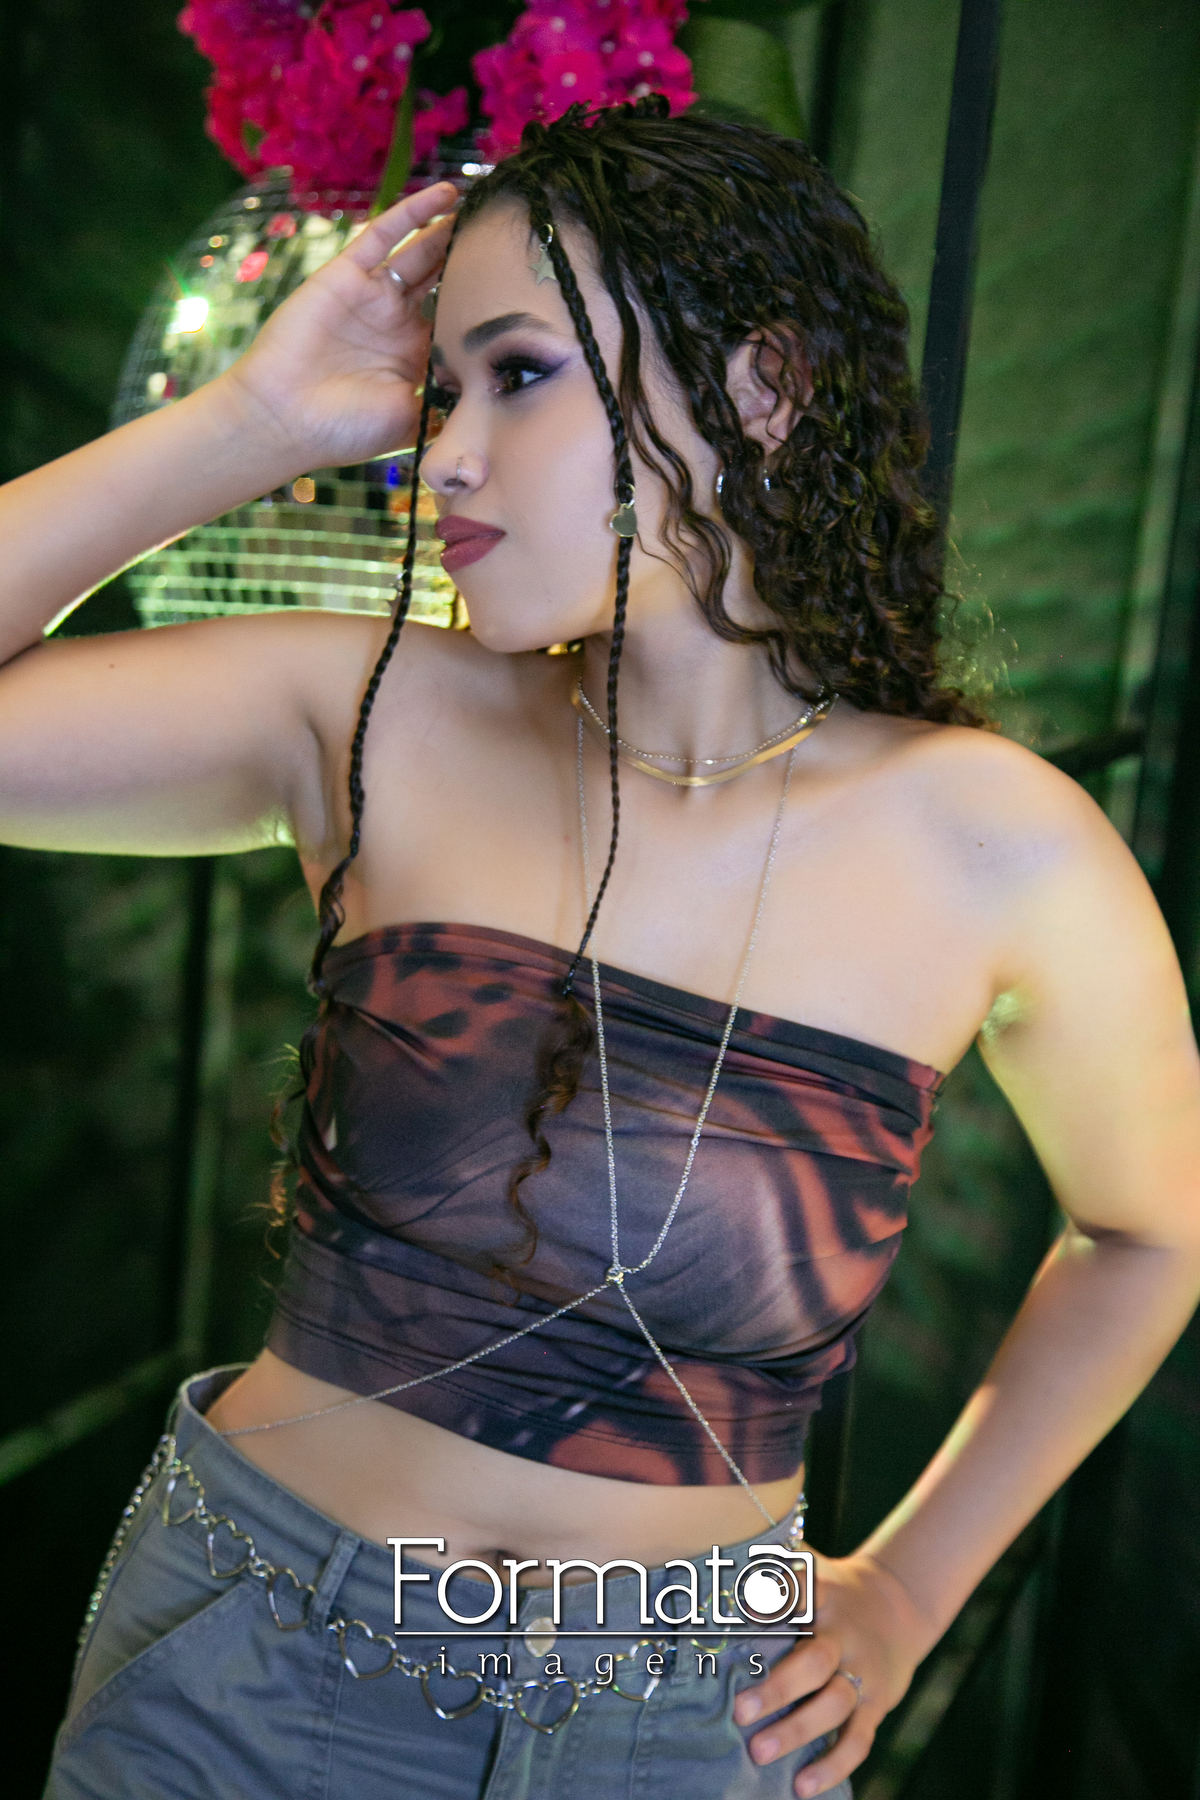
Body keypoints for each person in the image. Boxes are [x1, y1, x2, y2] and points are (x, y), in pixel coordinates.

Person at [8, 99, 1200, 1800]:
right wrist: (252, 421)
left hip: (692, 1721)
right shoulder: (369, 708)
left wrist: (910, 1591)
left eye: (518, 373)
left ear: (765, 388)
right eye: (442, 391)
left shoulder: (998, 843)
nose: (446, 456)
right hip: (256, 1674)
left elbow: (1151, 1232)